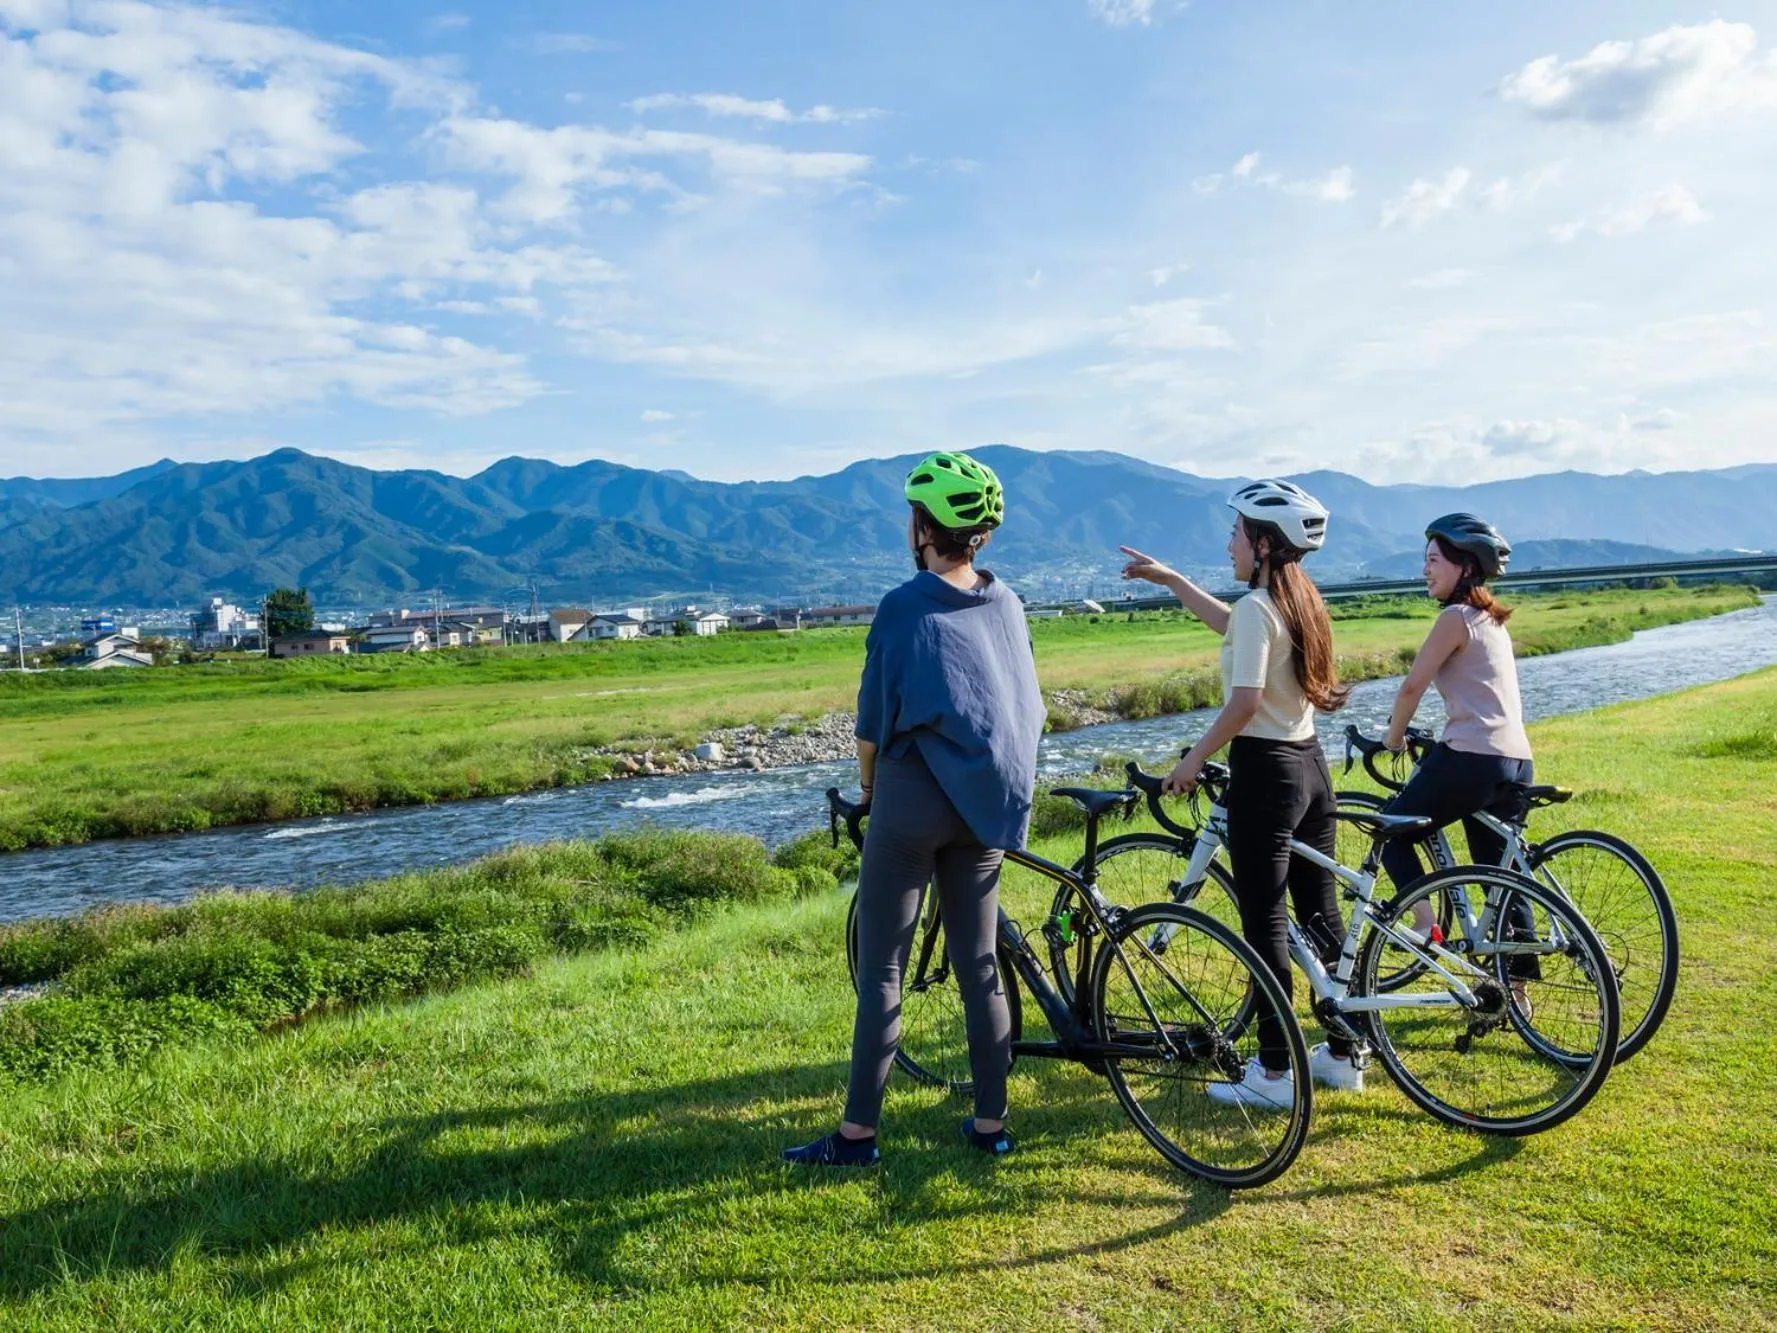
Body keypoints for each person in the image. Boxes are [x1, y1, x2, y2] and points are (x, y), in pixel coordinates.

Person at [782, 450, 1046, 1168]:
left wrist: (869, 792)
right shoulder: (1007, 599)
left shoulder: (904, 605)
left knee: (884, 971)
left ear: (925, 528)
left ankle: (857, 1135)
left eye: (912, 514)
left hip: (910, 798)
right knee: (979, 964)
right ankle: (991, 1123)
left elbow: (871, 725)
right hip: (983, 802)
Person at [1120, 479, 1358, 1108]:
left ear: (1262, 541)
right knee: (1319, 916)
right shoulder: (1294, 599)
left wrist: (1193, 760)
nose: (1228, 544)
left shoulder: (1262, 606)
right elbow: (1234, 627)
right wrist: (1173, 581)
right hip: (1310, 768)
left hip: (1266, 774)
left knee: (1266, 926)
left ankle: (1274, 1074)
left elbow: (1245, 701)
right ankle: (1342, 1053)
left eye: (1235, 533)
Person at [1379, 514, 1537, 988]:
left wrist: (1393, 737)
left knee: (1392, 831)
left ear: (1464, 568)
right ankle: (1517, 990)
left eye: (1433, 561)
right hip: (1517, 761)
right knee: (1500, 879)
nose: (1425, 569)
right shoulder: (1493, 621)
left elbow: (1411, 687)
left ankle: (1426, 929)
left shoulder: (1455, 618)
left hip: (1472, 758)